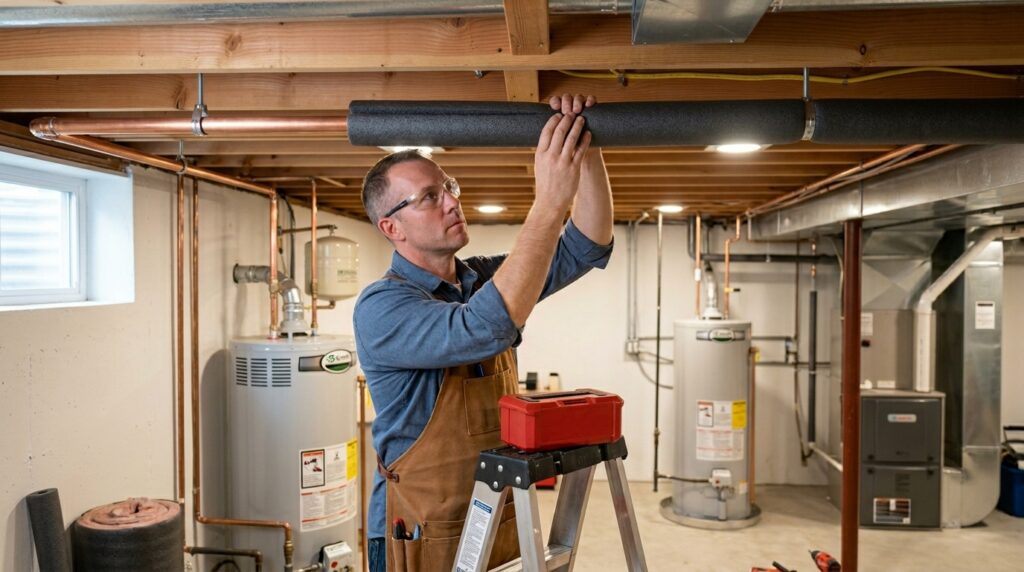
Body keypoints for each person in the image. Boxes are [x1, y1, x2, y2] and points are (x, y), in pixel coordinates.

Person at [354, 94, 613, 572]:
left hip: (495, 517)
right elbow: (485, 326)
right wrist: (550, 201)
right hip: (419, 532)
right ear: (392, 227)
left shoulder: (479, 278)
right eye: (430, 197)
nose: (453, 201)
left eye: (447, 185)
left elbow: (587, 246)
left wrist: (586, 147)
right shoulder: (382, 307)